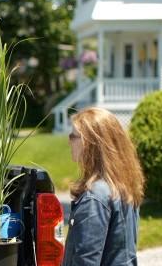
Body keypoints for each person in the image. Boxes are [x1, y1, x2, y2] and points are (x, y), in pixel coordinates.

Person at [62, 107, 145, 266]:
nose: (69, 141)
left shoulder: (95, 197)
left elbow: (86, 261)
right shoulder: (123, 186)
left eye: (73, 136)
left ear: (90, 144)